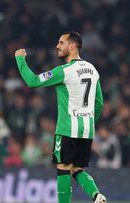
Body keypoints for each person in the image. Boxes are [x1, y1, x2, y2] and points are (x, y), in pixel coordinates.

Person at [15, 31, 106, 203]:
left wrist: (20, 59)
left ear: (72, 46)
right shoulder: (93, 70)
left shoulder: (65, 71)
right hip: (87, 129)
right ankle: (96, 195)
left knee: (63, 169)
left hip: (67, 128)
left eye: (61, 43)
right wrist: (89, 121)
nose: (57, 46)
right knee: (77, 170)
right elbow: (99, 103)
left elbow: (32, 81)